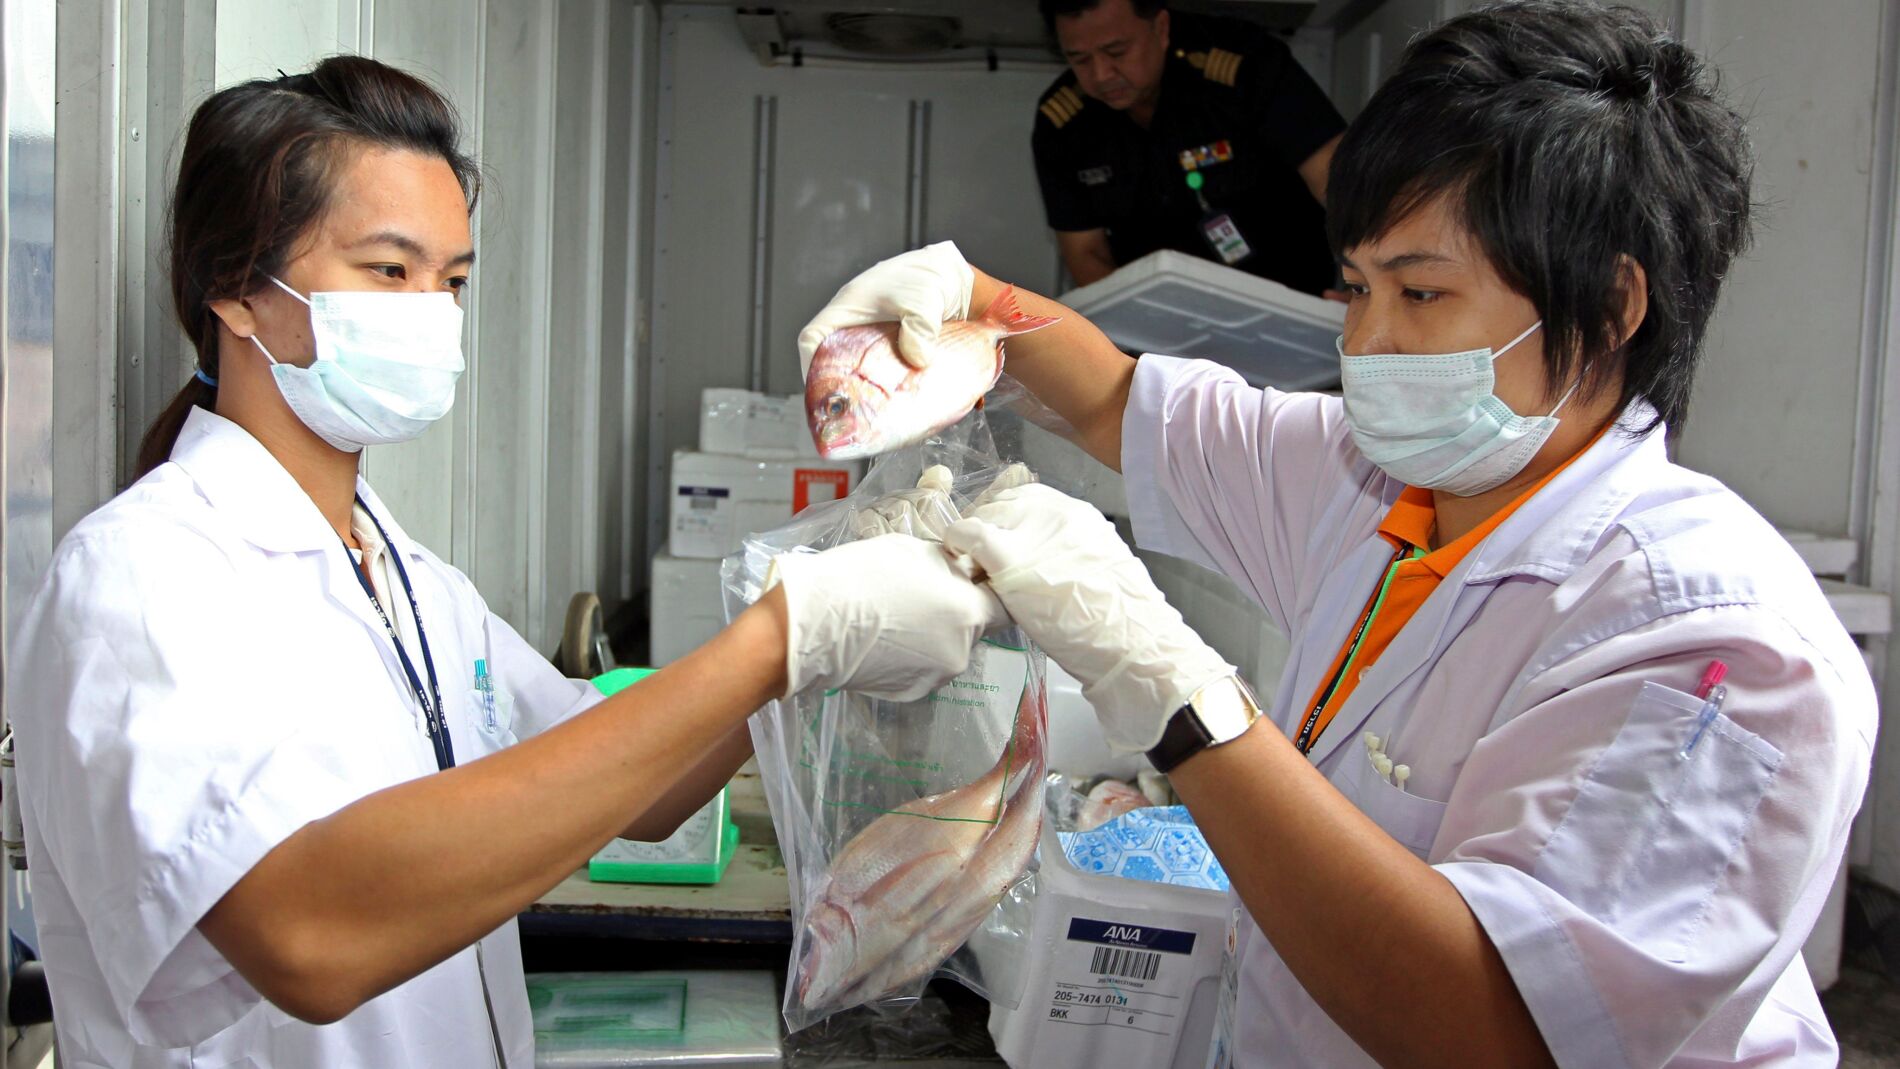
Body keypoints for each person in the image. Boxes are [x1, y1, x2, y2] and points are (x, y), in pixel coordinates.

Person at [799, 3, 1875, 1064]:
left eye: (1422, 292)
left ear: (1608, 301)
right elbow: (1118, 400)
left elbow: (1491, 1026)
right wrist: (973, 306)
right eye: (1357, 288)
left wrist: (1173, 691)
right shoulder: (1374, 481)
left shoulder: (1716, 648)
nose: (1368, 342)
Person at [5, 57, 1005, 1067]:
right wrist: (778, 640)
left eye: (452, 281)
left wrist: (823, 607)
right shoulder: (142, 581)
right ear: (236, 290)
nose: (431, 314)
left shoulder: (411, 582)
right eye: (388, 271)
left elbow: (636, 789)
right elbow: (307, 935)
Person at [1032, 0, 1345, 293]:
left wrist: (1367, 288)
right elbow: (1086, 253)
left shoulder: (1244, 67)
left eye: (1117, 52)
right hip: (1160, 314)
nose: (1101, 75)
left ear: (1161, 28)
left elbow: (1340, 184)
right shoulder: (1064, 125)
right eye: (1080, 59)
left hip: (1291, 294)